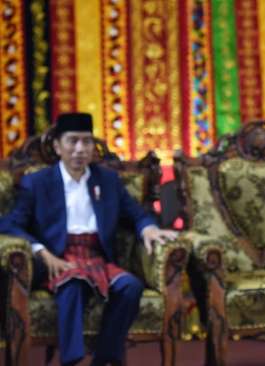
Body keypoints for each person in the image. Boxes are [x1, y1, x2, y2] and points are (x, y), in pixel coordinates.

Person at [0, 113, 178, 366]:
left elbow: (136, 213)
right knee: (73, 284)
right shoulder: (37, 182)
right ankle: (72, 360)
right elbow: (10, 223)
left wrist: (147, 228)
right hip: (58, 258)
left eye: (86, 142)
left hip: (96, 256)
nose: (80, 149)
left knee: (130, 287)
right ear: (57, 146)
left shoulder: (107, 180)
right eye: (72, 141)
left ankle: (105, 358)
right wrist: (41, 251)